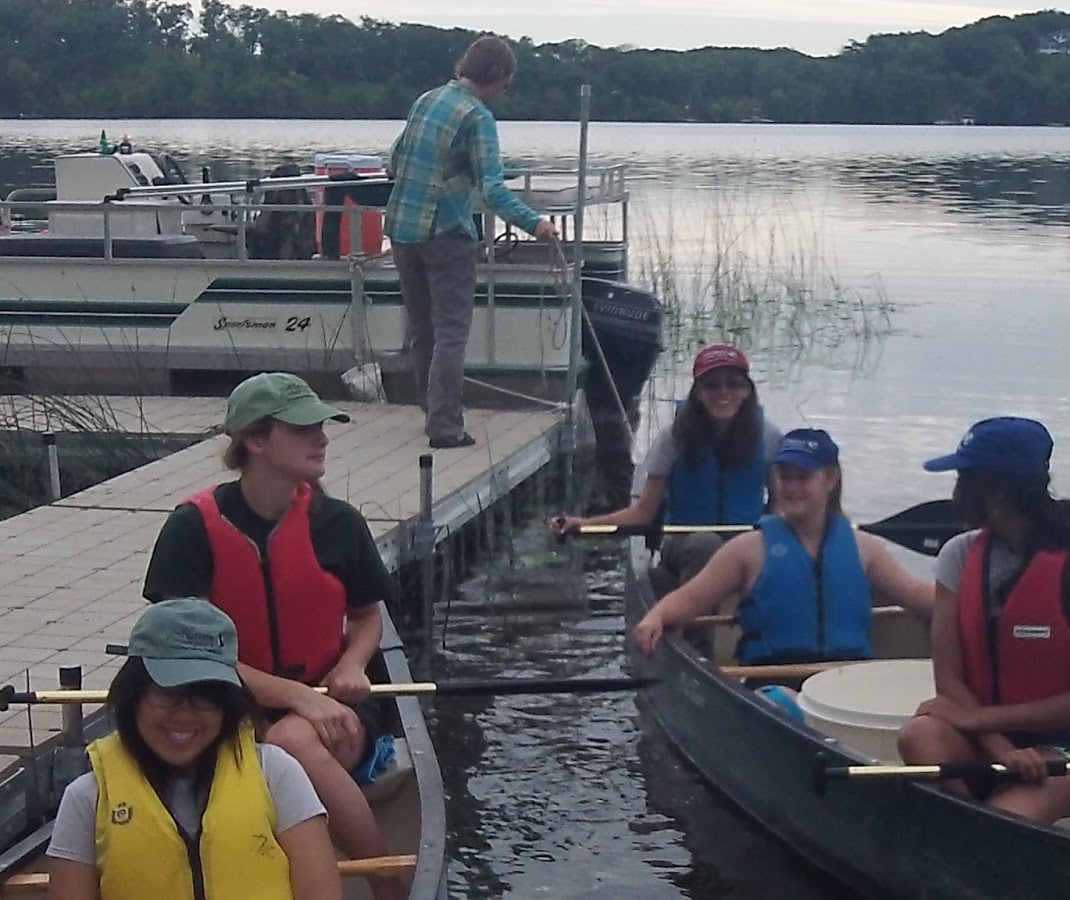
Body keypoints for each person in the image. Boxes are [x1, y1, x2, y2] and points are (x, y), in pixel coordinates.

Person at [142, 372, 406, 900]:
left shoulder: (339, 523)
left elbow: (366, 615)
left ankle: (390, 887)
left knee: (289, 740)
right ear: (255, 441)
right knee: (280, 735)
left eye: (322, 427)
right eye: (304, 428)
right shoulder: (191, 528)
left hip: (334, 707)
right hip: (222, 705)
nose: (322, 438)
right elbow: (184, 649)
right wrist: (294, 697)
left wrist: (353, 664)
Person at [896, 416, 1070, 824]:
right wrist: (1001, 747)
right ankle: (963, 822)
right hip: (984, 738)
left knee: (1006, 819)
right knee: (919, 736)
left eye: (963, 479)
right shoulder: (958, 556)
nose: (955, 492)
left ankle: (979, 829)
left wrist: (981, 720)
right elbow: (948, 680)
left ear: (995, 490)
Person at [45, 598, 341, 900]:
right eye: (167, 694)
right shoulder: (87, 798)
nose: (185, 714)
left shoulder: (276, 773)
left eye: (206, 696)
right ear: (133, 695)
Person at [632, 428, 936, 713]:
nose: (791, 487)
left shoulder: (863, 548)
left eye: (802, 477)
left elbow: (915, 594)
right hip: (776, 681)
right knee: (780, 704)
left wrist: (966, 600)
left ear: (830, 480)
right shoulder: (749, 548)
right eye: (785, 477)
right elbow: (693, 598)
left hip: (848, 684)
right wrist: (657, 616)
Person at [385, 34, 558, 449]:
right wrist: (535, 224)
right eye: (506, 83)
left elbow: (394, 162)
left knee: (423, 329)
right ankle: (445, 427)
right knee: (451, 334)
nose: (504, 92)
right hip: (446, 235)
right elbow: (494, 190)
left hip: (403, 231)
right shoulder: (478, 118)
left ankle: (431, 409)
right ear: (496, 76)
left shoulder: (426, 101)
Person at [550, 343, 785, 594]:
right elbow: (643, 512)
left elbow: (782, 506)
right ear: (698, 392)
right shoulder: (672, 438)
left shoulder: (769, 437)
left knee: (765, 552)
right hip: (684, 542)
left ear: (747, 390)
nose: (723, 392)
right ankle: (694, 625)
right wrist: (583, 525)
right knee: (704, 544)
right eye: (712, 384)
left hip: (745, 539)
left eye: (733, 383)